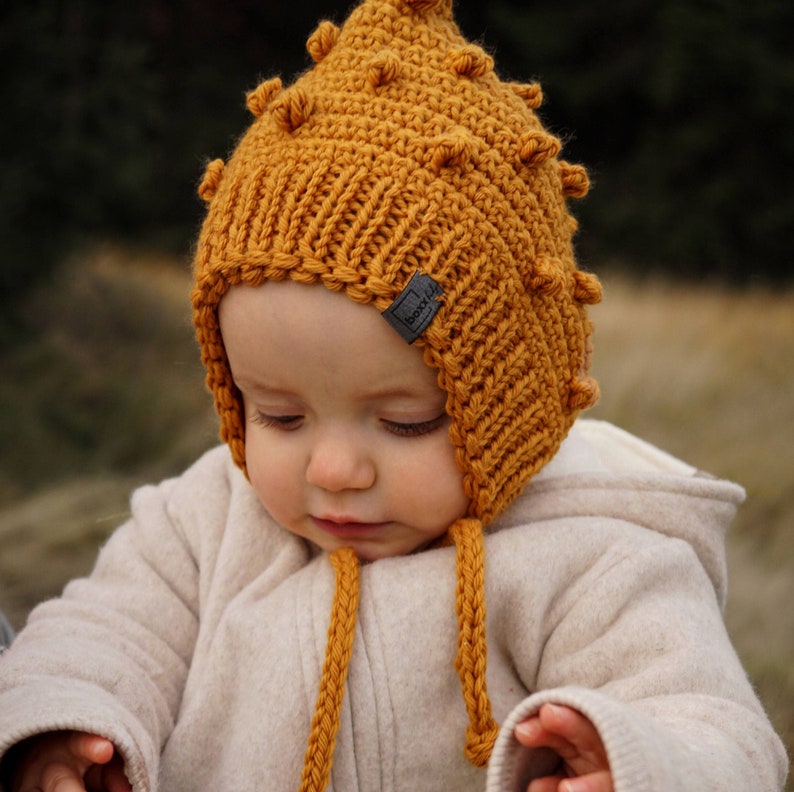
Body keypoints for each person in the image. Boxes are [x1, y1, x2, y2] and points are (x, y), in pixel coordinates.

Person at [0, 0, 787, 790]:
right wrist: (62, 729)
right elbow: (98, 636)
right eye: (279, 414)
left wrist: (638, 762)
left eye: (405, 422)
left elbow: (718, 728)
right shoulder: (202, 529)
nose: (335, 469)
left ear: (508, 408)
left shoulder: (596, 560)